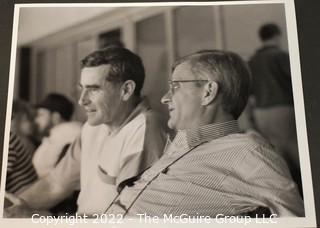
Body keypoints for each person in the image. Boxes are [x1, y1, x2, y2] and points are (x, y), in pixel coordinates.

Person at [105, 50, 304, 217]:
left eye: (175, 86)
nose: (165, 98)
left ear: (208, 92)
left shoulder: (248, 152)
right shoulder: (178, 144)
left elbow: (296, 217)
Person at [4, 47, 166, 217]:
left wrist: (38, 219)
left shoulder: (146, 128)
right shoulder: (92, 127)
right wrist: (10, 208)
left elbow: (129, 218)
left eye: (94, 89)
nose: (82, 100)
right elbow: (55, 184)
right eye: (82, 88)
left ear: (126, 90)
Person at [249, 23, 301, 193]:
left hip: (261, 112)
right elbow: (296, 82)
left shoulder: (252, 61)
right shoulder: (280, 56)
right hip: (282, 109)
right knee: (296, 150)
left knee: (278, 152)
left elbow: (250, 91)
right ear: (277, 36)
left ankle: (286, 191)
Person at [32, 93, 82, 177]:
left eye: (41, 115)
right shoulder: (57, 135)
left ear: (56, 116)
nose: (36, 120)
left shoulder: (69, 135)